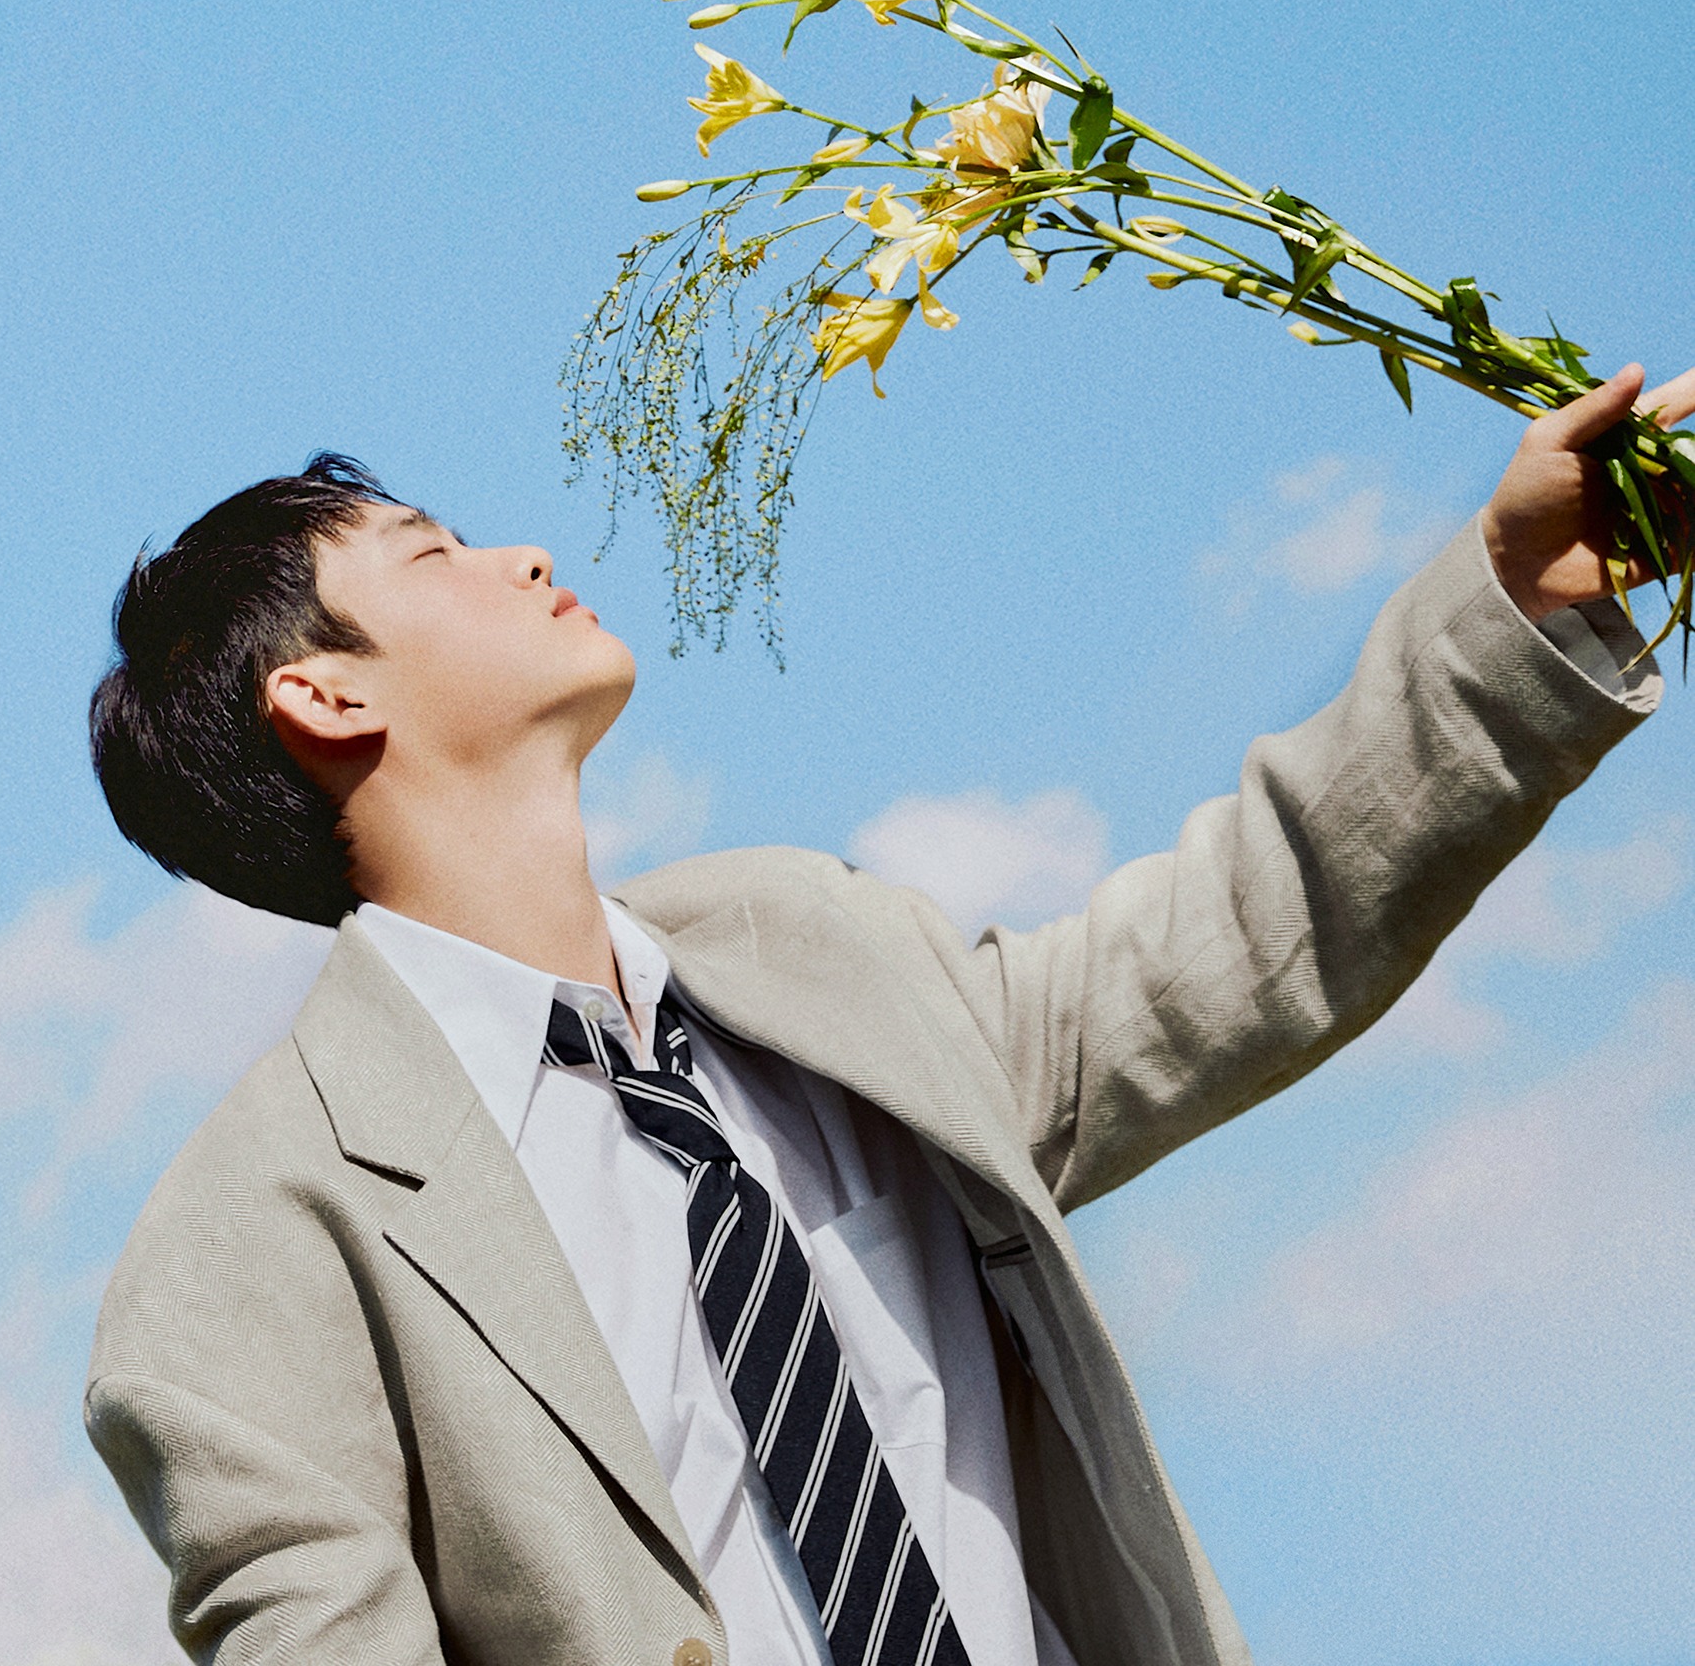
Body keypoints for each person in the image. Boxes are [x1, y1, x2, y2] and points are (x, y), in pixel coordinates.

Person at [82, 363, 1685, 1666]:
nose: (526, 557)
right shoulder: (253, 1249)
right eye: (435, 554)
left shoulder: (813, 965)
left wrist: (1517, 606)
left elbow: (1250, 929)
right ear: (326, 695)